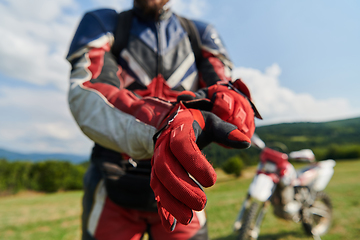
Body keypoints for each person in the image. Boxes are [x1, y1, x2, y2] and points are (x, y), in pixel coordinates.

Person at [66, 0, 259, 239]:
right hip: (113, 181)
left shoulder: (201, 33)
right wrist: (163, 122)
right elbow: (89, 92)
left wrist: (233, 104)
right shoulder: (104, 23)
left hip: (183, 185)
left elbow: (222, 88)